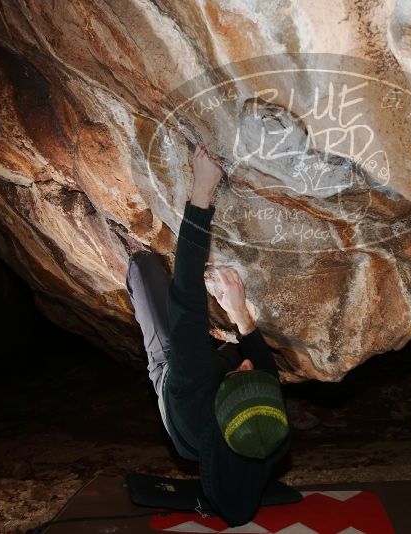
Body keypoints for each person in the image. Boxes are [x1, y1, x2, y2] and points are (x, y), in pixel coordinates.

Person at [125, 145, 291, 526]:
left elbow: (186, 297)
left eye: (240, 375)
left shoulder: (193, 381)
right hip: (214, 426)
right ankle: (228, 342)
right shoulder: (270, 432)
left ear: (221, 398)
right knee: (242, 348)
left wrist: (201, 194)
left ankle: (138, 263)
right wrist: (240, 315)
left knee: (145, 268)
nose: (247, 364)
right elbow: (263, 370)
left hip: (177, 394)